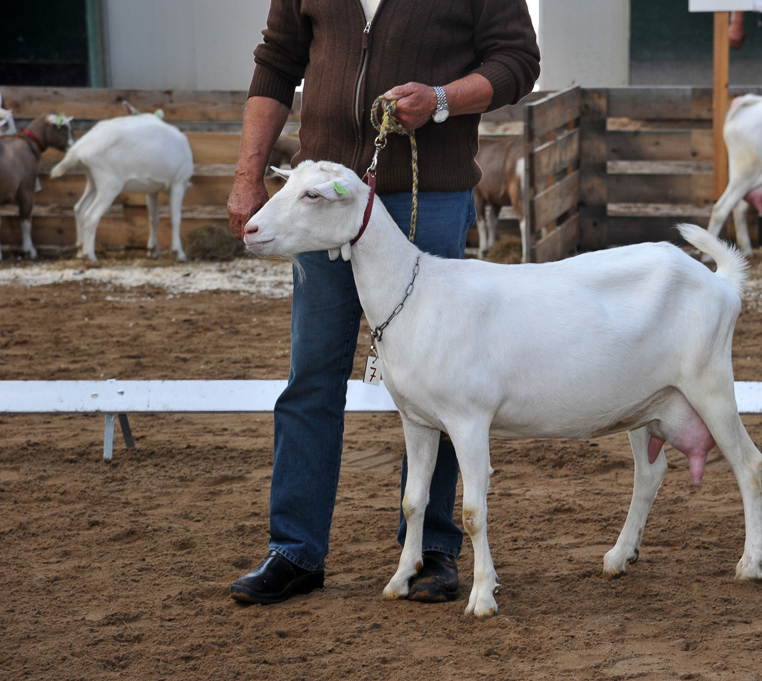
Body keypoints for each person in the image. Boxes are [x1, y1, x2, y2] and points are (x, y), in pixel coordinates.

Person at [226, 0, 540, 605]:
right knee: (312, 376)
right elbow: (275, 64)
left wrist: (443, 99)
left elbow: (517, 61)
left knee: (449, 387)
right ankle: (293, 551)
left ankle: (431, 552)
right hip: (321, 198)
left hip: (429, 199)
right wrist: (247, 175)